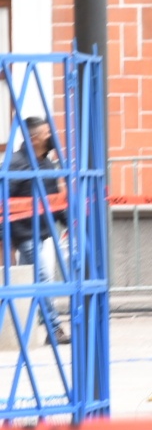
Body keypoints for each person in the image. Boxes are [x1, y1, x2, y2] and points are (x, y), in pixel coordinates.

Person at [8, 116, 68, 343]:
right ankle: (54, 329)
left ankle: (23, 330)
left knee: (25, 284)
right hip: (23, 235)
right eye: (46, 134)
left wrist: (67, 220)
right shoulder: (15, 164)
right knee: (42, 279)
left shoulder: (47, 163)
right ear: (34, 139)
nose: (51, 137)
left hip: (41, 234)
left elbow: (54, 200)